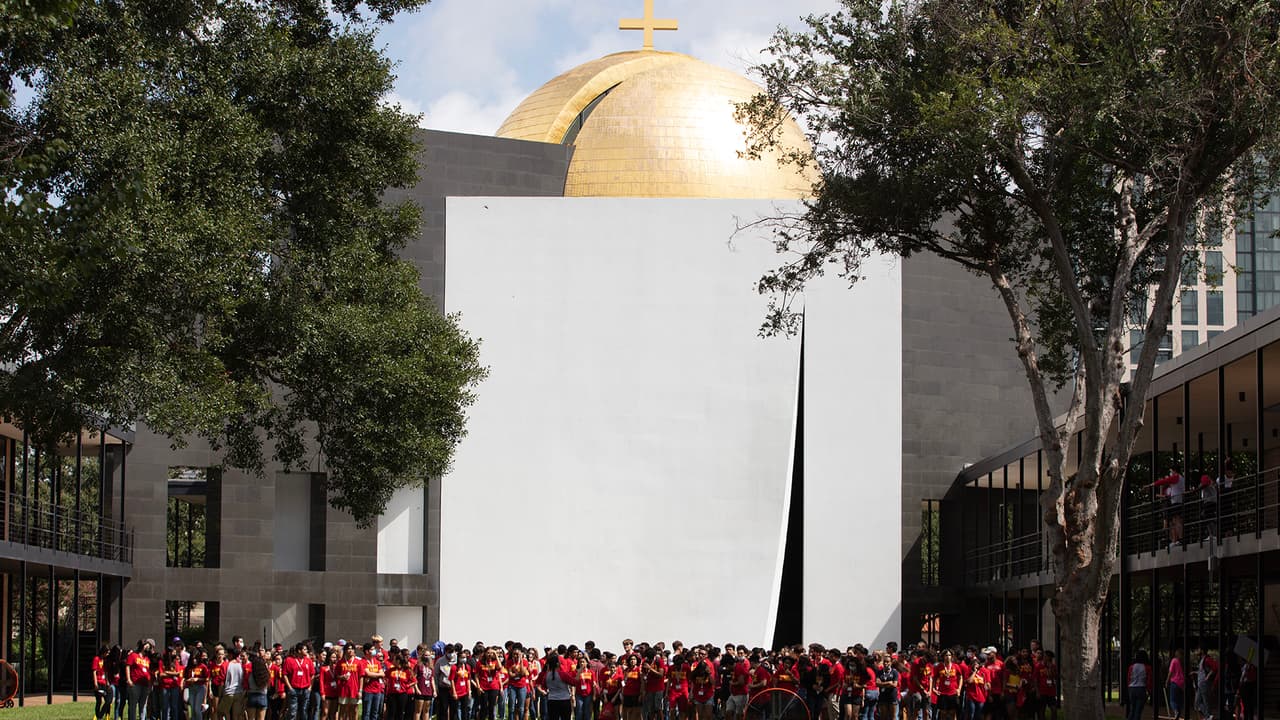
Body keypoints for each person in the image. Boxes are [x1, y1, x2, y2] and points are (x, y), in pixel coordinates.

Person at [1153, 467, 1186, 547]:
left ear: (1174, 471)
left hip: (1175, 502)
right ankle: (1176, 540)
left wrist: (1153, 484)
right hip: (1174, 502)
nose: (1170, 474)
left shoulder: (1176, 479)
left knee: (1176, 521)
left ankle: (1179, 539)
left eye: (1171, 472)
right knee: (1173, 522)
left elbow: (1165, 482)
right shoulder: (1178, 481)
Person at [127, 639, 155, 720]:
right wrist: (129, 679)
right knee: (133, 704)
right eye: (146, 645)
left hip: (145, 684)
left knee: (143, 705)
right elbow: (128, 666)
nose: (148, 647)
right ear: (142, 646)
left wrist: (150, 684)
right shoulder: (133, 655)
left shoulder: (147, 658)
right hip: (135, 683)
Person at [1124, 650, 1151, 720]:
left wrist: (1129, 688)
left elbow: (1129, 678)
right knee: (1138, 711)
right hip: (1141, 688)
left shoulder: (1131, 667)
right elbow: (1149, 680)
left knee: (1132, 709)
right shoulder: (1147, 667)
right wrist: (1148, 691)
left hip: (1132, 688)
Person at [187, 649, 212, 720]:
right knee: (192, 708)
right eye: (193, 658)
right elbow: (185, 677)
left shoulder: (203, 666)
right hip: (191, 687)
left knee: (197, 709)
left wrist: (198, 679)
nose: (194, 660)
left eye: (196, 658)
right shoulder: (189, 667)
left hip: (200, 688)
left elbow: (207, 678)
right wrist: (188, 680)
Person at [246, 650, 271, 720]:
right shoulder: (266, 675)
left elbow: (248, 684)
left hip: (252, 696)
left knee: (251, 718)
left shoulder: (251, 674)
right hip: (262, 696)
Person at [1167, 649, 1185, 720]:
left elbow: (1170, 672)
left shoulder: (1174, 660)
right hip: (1182, 683)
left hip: (1175, 682)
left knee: (1172, 700)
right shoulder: (1182, 662)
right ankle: (1178, 713)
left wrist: (1167, 681)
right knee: (1179, 700)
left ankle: (1175, 711)